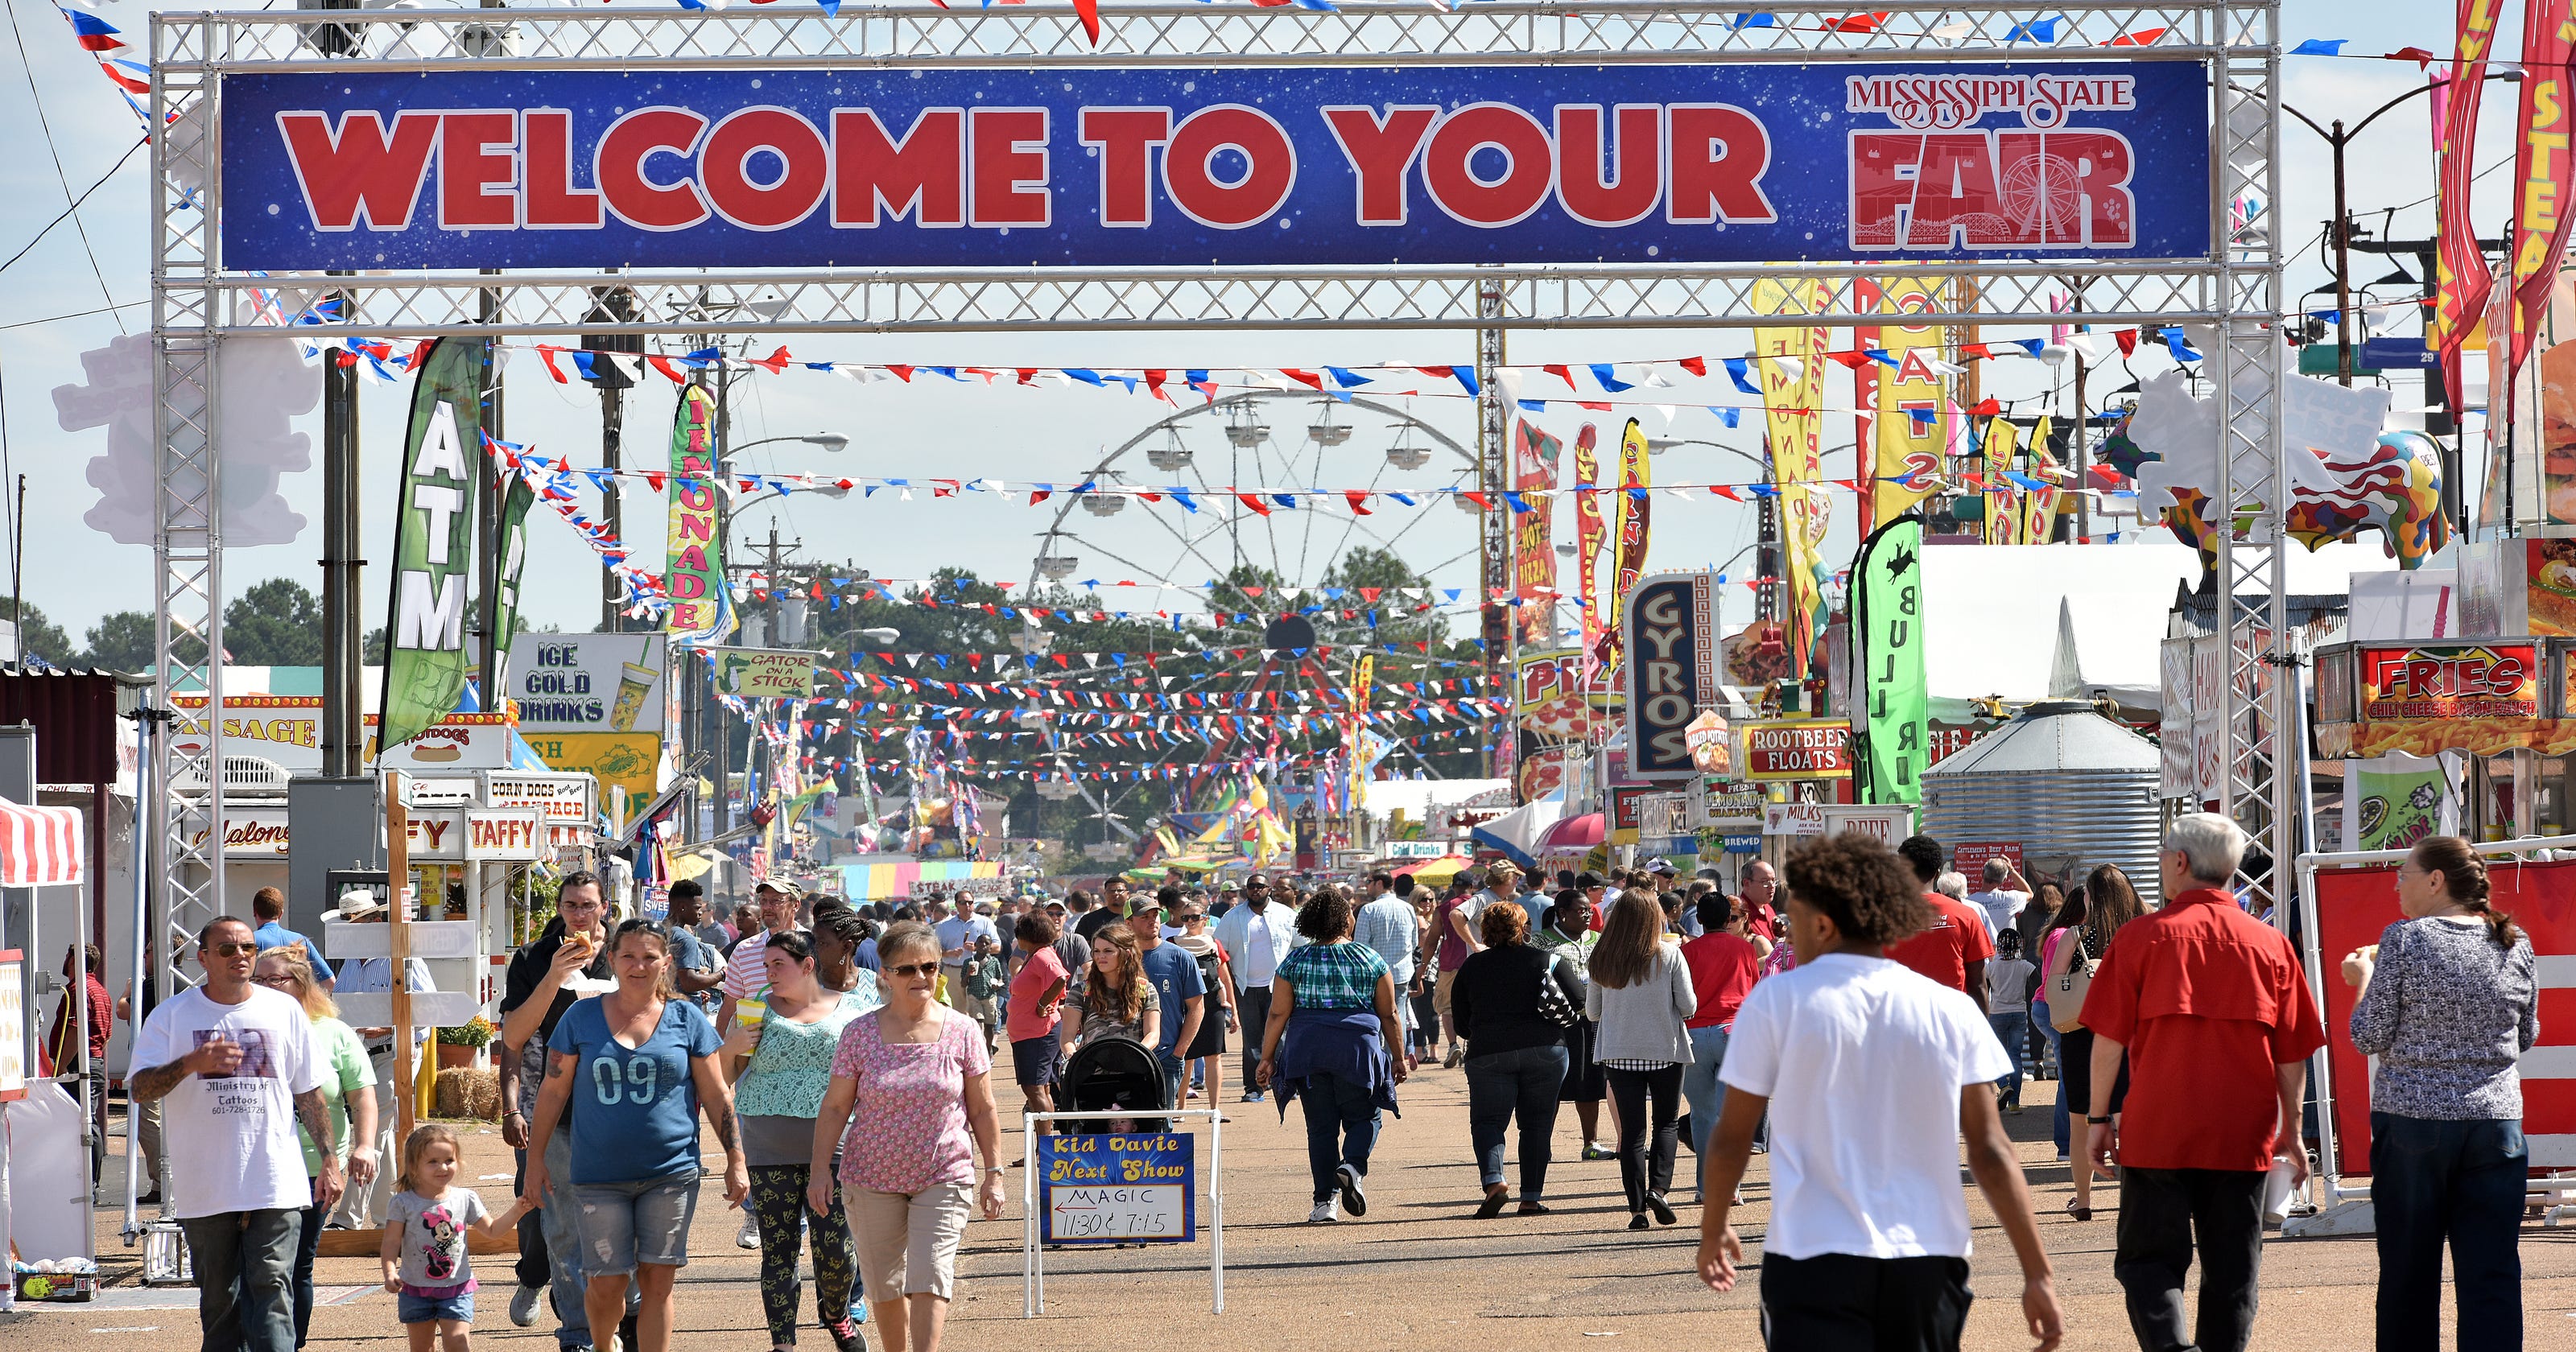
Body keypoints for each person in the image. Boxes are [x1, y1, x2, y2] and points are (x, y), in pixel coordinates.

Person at [1695, 834, 2063, 1352]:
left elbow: (1732, 1139)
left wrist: (1714, 1226)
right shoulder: (1948, 1007)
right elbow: (1991, 1151)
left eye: (1792, 915)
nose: (1785, 926)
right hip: (1927, 1257)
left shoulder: (1776, 1002)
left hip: (1810, 1255)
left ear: (1822, 924)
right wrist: (2037, 1273)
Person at [2084, 814, 2325, 1352]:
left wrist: (2098, 1120)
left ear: (2180, 862)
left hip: (2157, 1130)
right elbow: (2292, 1056)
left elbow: (2107, 1041)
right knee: (2233, 1271)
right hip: (2242, 1133)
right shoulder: (2270, 945)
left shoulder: (2140, 938)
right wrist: (2294, 1130)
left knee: (2148, 1262)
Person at [2343, 835, 2539, 1352]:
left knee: (2409, 1275)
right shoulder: (2514, 943)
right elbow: (2525, 1036)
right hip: (2494, 1126)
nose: (2396, 883)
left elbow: (2369, 1035)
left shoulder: (2405, 941)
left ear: (2436, 880)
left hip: (2413, 1124)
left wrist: (2362, 979)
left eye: (2404, 874)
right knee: (2492, 1275)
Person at [523, 920, 747, 1352]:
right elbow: (552, 1092)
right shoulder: (581, 1017)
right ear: (611, 960)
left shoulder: (687, 1019)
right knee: (606, 1283)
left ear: (666, 963)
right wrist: (535, 1161)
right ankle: (604, 1345)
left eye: (649, 957)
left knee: (657, 1282)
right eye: (628, 956)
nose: (638, 965)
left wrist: (736, 1160)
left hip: (671, 1173)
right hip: (598, 1176)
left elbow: (717, 1094)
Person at [128, 916, 345, 1352]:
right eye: (227, 949)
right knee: (220, 1304)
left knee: (271, 1287)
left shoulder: (283, 1010)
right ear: (203, 958)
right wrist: (191, 1063)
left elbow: (310, 1093)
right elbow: (139, 1088)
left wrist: (330, 1159)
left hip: (274, 1180)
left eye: (247, 948)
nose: (240, 956)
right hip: (207, 1186)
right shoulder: (172, 1015)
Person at [807, 922, 1006, 1352]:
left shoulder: (963, 1030)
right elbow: (837, 1107)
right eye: (907, 969)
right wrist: (820, 1170)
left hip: (945, 1172)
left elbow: (983, 1107)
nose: (920, 977)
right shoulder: (858, 1033)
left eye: (929, 967)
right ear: (885, 974)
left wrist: (995, 1172)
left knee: (930, 1274)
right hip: (870, 1176)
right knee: (884, 1282)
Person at [722, 931, 869, 1352]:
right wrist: (730, 1046)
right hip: (769, 1149)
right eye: (765, 966)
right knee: (779, 1253)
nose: (768, 975)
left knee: (837, 1252)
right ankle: (783, 1343)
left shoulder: (855, 1010)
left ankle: (837, 1313)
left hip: (838, 1150)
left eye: (777, 966)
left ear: (807, 965)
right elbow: (723, 1078)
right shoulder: (754, 1011)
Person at [494, 873, 621, 1346]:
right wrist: (555, 974)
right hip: (552, 1106)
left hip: (615, 1107)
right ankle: (572, 1326)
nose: (579, 915)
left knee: (613, 1222)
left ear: (604, 907)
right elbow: (513, 1037)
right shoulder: (532, 959)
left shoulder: (625, 952)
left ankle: (617, 1312)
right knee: (552, 1221)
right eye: (571, 906)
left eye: (588, 906)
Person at [250, 946, 378, 1350]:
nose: (265, 987)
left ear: (301, 983)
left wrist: (364, 1147)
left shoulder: (333, 1032)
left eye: (275, 979)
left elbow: (363, 1096)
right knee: (261, 1265)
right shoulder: (245, 1026)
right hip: (257, 1162)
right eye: (258, 979)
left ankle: (291, 1343)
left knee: (296, 1263)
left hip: (315, 1165)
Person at [1254, 889, 1403, 1223]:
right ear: (1344, 919)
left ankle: (1325, 1204)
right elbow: (1390, 1013)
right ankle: (1352, 1165)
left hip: (1308, 1050)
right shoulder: (1369, 958)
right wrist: (1398, 1056)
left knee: (1320, 1128)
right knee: (1366, 1117)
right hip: (1357, 1051)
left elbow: (1278, 1014)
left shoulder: (1294, 961)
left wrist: (1266, 1058)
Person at [1452, 898, 1581, 1218]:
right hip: (1546, 1049)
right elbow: (1580, 999)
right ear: (1524, 929)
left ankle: (1495, 1182)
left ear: (1485, 931)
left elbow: (1461, 1024)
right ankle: (1531, 1198)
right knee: (1536, 1125)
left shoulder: (1472, 967)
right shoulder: (1546, 959)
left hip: (1488, 1053)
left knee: (1488, 1122)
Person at [328, 888, 439, 1230]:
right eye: (348, 922)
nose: (351, 928)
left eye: (356, 922)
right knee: (382, 1136)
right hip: (364, 1055)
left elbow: (428, 1007)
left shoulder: (401, 957)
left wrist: (388, 1026)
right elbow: (341, 1006)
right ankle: (387, 1215)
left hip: (396, 1053)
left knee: (371, 1133)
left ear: (375, 922)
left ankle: (348, 1217)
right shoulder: (351, 961)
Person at [1587, 891, 1699, 1230]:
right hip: (1665, 1049)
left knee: (1632, 1132)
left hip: (1619, 1053)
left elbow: (1593, 1012)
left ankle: (1637, 1208)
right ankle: (1659, 1189)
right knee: (1665, 1122)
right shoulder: (1669, 954)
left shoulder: (1602, 956)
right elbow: (1689, 1006)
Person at [380, 1123, 535, 1352]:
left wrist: (518, 1210)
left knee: (458, 1343)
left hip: (457, 1289)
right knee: (422, 1348)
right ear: (414, 1166)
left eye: (449, 1160)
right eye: (432, 1161)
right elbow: (391, 1242)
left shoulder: (465, 1198)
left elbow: (492, 1230)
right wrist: (390, 1271)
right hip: (415, 1289)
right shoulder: (403, 1203)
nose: (442, 1167)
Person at [2058, 866, 2145, 1222]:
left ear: (2093, 898)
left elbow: (2055, 985)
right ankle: (2135, 1197)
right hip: (2130, 1030)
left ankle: (2083, 1200)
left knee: (2080, 1120)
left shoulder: (2076, 935)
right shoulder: (2142, 932)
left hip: (2082, 1030)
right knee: (2130, 1117)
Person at [1532, 888, 1616, 1162]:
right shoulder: (1542, 942)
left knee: (1589, 1081)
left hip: (1591, 1020)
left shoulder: (1599, 940)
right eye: (1581, 911)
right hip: (1554, 1022)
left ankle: (1590, 1142)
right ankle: (1542, 1142)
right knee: (1552, 1083)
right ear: (1562, 914)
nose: (1588, 916)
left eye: (1590, 910)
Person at [1679, 893, 1759, 1169]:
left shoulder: (1687, 952)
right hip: (1733, 1031)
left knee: (1701, 1115)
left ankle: (1705, 1184)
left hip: (1694, 1034)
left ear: (1698, 919)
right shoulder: (1744, 949)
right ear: (1728, 919)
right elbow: (1754, 991)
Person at [1212, 872, 1298, 1101]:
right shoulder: (1233, 917)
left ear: (1270, 889)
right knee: (1251, 1040)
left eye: (1260, 886)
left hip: (1279, 987)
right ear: (1245, 890)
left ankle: (1283, 1084)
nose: (1255, 890)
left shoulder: (1285, 915)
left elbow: (1301, 946)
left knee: (1281, 1037)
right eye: (1251, 886)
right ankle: (1253, 1088)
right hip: (1245, 987)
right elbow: (1219, 951)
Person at [1887, 835, 1994, 1011]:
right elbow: (1978, 986)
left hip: (1896, 1023)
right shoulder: (1965, 915)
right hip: (1950, 1023)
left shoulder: (1878, 918)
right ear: (1938, 873)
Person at [1128, 901, 1207, 1109]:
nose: (1152, 921)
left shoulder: (1181, 957)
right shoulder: (1118, 957)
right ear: (1128, 923)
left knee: (1163, 1127)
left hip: (1165, 1057)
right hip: (1124, 1057)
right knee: (1125, 1126)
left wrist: (1179, 1051)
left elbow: (1197, 1007)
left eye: (1155, 915)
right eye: (1144, 917)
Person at [47, 942, 114, 1184]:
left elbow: (76, 1030)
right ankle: (90, 1180)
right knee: (87, 1119)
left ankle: (86, 1182)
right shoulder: (99, 990)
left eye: (67, 956)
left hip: (78, 1066)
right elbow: (106, 1034)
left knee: (81, 1120)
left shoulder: (79, 990)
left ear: (73, 960)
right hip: (92, 1062)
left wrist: (62, 1066)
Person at [2035, 886, 2089, 1162]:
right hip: (2056, 1009)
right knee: (2069, 1078)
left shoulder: (2057, 932)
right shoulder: (2065, 935)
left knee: (2069, 1076)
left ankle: (2068, 1143)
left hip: (2050, 1008)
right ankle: (2066, 1144)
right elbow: (2056, 979)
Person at [1006, 911, 1072, 1130]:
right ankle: (1044, 1148)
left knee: (1034, 1089)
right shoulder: (1034, 955)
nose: (1017, 939)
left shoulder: (1043, 955)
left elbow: (1060, 978)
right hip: (1029, 1034)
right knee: (1041, 1089)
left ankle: (1045, 1150)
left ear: (1028, 935)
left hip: (1038, 1034)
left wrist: (1043, 1004)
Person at [1170, 905, 1236, 1104]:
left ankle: (1215, 1108)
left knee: (1214, 1056)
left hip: (1214, 1006)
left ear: (1205, 919)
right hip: (1184, 1008)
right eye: (1186, 917)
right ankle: (1180, 1108)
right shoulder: (1173, 943)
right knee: (1185, 1056)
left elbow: (1226, 979)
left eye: (1195, 917)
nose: (1190, 921)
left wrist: (1235, 1013)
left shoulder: (1214, 944)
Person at [1353, 872, 1420, 1070]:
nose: (1367, 886)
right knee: (1396, 1014)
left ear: (1379, 883)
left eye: (1369, 882)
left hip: (1375, 975)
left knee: (1376, 1015)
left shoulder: (1369, 910)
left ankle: (1382, 1059)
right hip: (1401, 972)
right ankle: (1396, 1057)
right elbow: (1414, 942)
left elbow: (1360, 946)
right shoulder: (1408, 908)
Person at [117, 938, 166, 1205]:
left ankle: (162, 1181)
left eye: (147, 952)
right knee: (160, 1122)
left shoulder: (149, 986)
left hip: (151, 1066)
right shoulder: (179, 985)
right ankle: (165, 1180)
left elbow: (122, 1010)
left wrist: (127, 990)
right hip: (168, 1064)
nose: (144, 958)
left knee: (147, 1123)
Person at [1059, 923, 1160, 1053]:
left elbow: (1153, 1035)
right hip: (1091, 1068)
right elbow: (1067, 1037)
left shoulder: (1145, 989)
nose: (1100, 956)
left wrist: (1134, 1055)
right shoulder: (1081, 991)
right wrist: (1072, 1057)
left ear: (1126, 954)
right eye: (1096, 951)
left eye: (1108, 951)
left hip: (1133, 1067)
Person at [724, 880, 807, 1033]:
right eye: (763, 901)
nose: (767, 907)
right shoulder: (744, 950)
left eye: (776, 901)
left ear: (795, 905)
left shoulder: (812, 946)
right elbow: (730, 1006)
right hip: (752, 1050)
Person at [1426, 875, 1479, 1067]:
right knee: (1475, 1005)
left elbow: (1432, 941)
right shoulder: (1481, 905)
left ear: (1453, 887)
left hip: (1449, 965)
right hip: (1477, 962)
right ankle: (1472, 1042)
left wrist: (1423, 966)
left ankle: (1453, 1044)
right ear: (1471, 887)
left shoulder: (1443, 909)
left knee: (1447, 1008)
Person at [250, 886, 338, 990]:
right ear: (281, 913)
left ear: (255, 912)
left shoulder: (248, 942)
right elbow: (330, 982)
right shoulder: (301, 941)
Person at [1987, 928, 2036, 1114]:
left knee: (1996, 1054)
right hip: (2018, 1013)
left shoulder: (1991, 967)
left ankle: (2003, 1085)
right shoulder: (2025, 966)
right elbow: (2036, 984)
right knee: (2015, 1056)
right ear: (2019, 945)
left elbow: (1984, 986)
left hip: (1997, 1013)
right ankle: (2014, 1103)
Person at [662, 884, 727, 1014]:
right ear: (682, 907)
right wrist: (722, 974)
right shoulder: (685, 939)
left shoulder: (658, 931)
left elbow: (677, 981)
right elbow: (689, 982)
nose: (700, 913)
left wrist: (696, 993)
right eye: (697, 908)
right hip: (682, 1016)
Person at [934, 894, 999, 1023]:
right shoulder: (944, 926)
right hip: (952, 972)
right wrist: (949, 953)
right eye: (963, 902)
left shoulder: (985, 922)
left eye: (970, 902)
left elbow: (997, 947)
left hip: (978, 972)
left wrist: (977, 948)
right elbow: (934, 951)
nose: (967, 906)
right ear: (956, 904)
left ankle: (980, 1041)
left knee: (978, 1013)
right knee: (954, 1013)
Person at [959, 934, 1007, 1051]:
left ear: (990, 947)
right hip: (974, 996)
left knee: (989, 1026)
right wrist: (968, 974)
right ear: (975, 945)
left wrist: (997, 984)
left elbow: (999, 978)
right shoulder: (969, 962)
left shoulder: (994, 962)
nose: (983, 945)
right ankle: (979, 1049)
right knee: (978, 1022)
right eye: (980, 942)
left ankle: (988, 1048)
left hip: (989, 996)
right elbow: (963, 984)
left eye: (986, 943)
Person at [1968, 857, 2033, 942]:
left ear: (1982, 873)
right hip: (2007, 954)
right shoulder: (2010, 899)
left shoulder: (1968, 902)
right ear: (2004, 880)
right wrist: (2012, 870)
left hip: (1982, 954)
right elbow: (2029, 893)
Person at [1075, 876, 1131, 943]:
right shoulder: (1089, 920)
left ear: (1128, 894)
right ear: (1105, 894)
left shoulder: (1136, 918)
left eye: (1119, 890)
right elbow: (1080, 946)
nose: (1115, 893)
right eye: (1111, 891)